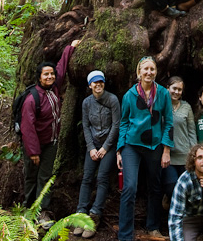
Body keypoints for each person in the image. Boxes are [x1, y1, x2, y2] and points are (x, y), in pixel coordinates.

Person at [21, 39, 81, 229]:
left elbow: (61, 68)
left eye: (51, 74)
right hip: (34, 147)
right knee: (31, 176)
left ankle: (42, 212)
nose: (50, 76)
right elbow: (27, 126)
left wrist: (70, 48)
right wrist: (33, 151)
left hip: (51, 144)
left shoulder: (54, 88)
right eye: (46, 74)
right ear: (39, 77)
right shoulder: (32, 98)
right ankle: (27, 209)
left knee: (45, 178)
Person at [116, 56, 174, 241]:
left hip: (155, 145)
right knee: (129, 187)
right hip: (132, 145)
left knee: (155, 186)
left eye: (152, 69)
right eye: (146, 69)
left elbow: (169, 123)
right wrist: (119, 149)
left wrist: (166, 150)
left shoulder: (163, 93)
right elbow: (123, 122)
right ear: (139, 72)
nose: (149, 72)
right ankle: (125, 234)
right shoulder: (129, 95)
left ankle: (153, 227)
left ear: (156, 72)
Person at [73, 70, 121, 238]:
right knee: (86, 178)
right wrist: (91, 147)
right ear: (90, 85)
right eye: (95, 82)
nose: (98, 84)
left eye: (100, 82)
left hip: (108, 146)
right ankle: (81, 215)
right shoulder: (86, 103)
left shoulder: (112, 100)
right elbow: (85, 126)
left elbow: (116, 125)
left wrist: (105, 148)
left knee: (102, 177)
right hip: (93, 145)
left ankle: (94, 215)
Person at [162, 76, 197, 207]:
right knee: (171, 187)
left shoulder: (186, 107)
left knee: (186, 190)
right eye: (174, 88)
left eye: (179, 90)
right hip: (168, 155)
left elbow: (191, 131)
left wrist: (194, 153)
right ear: (167, 88)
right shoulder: (161, 106)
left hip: (185, 155)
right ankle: (168, 199)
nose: (176, 92)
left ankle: (183, 221)